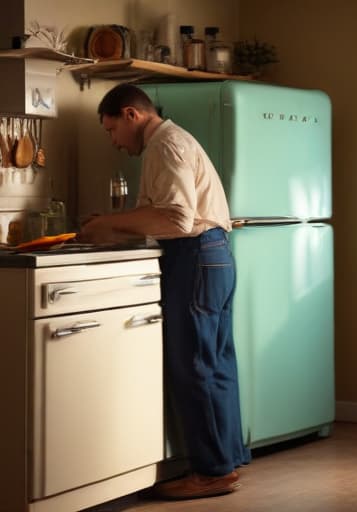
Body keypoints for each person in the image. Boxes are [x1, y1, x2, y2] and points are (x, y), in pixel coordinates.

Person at [80, 83, 251, 499]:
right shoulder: (175, 140)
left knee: (194, 366)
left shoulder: (164, 145)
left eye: (111, 130)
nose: (114, 141)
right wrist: (116, 221)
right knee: (215, 363)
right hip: (213, 256)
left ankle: (211, 471)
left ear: (131, 115)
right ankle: (225, 462)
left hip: (194, 256)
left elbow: (177, 218)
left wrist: (110, 225)